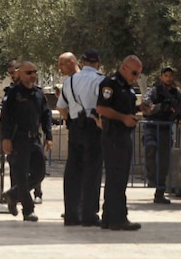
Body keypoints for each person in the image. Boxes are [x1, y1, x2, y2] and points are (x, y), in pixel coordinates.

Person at [0, 61, 52, 222]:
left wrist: (49, 136)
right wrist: (6, 138)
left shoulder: (38, 93)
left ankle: (13, 194)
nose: (33, 75)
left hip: (35, 138)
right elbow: (5, 118)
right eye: (28, 72)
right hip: (19, 139)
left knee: (39, 173)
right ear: (20, 74)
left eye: (34, 72)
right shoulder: (13, 93)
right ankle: (28, 210)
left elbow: (46, 114)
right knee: (21, 175)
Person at [95, 55, 142, 231]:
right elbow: (101, 108)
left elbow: (124, 108)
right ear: (124, 67)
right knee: (117, 178)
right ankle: (117, 218)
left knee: (119, 178)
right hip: (114, 136)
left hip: (123, 136)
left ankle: (109, 217)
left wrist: (139, 109)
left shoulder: (127, 88)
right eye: (134, 73)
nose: (136, 77)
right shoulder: (111, 84)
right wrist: (123, 118)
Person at [58, 49, 104, 227]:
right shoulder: (100, 80)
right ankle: (88, 214)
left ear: (82, 62)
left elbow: (62, 107)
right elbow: (102, 105)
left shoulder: (69, 81)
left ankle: (71, 214)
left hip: (76, 126)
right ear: (97, 63)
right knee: (92, 171)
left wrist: (71, 119)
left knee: (73, 171)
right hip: (93, 127)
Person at [141, 66, 181, 204]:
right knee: (150, 148)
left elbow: (180, 109)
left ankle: (159, 192)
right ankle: (151, 178)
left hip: (165, 128)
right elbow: (147, 106)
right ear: (161, 77)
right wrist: (161, 107)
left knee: (164, 161)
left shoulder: (176, 93)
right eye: (166, 76)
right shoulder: (155, 90)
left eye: (170, 76)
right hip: (152, 127)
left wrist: (180, 119)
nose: (169, 78)